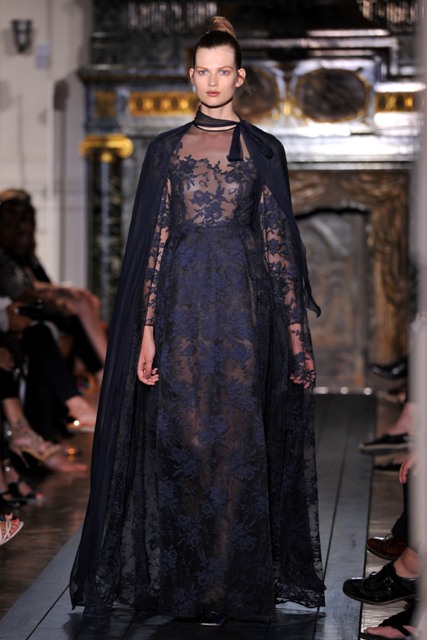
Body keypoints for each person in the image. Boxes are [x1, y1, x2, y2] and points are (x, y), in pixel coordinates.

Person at [70, 16, 325, 625]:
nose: (213, 82)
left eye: (223, 71)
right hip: (180, 311)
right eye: (203, 72)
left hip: (244, 313)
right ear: (191, 77)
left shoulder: (264, 149)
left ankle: (230, 586)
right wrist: (147, 331)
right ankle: (187, 584)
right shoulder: (166, 150)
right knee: (183, 440)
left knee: (237, 445)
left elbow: (279, 249)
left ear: (240, 77)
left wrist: (296, 339)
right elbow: (154, 245)